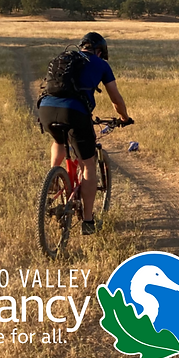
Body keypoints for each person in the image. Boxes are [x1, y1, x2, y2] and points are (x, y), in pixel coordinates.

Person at [38, 32, 132, 235]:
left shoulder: (64, 59)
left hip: (45, 108)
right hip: (74, 112)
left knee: (59, 141)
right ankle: (88, 222)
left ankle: (54, 179)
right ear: (100, 51)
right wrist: (124, 117)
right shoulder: (101, 64)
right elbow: (115, 98)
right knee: (89, 164)